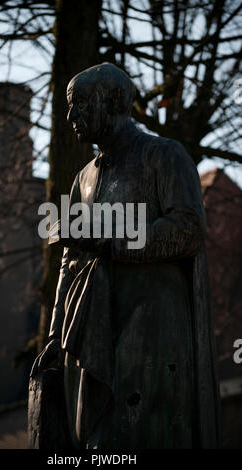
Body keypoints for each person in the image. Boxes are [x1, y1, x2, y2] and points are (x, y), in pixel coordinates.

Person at [31, 63, 221, 449]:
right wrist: (55, 331)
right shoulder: (84, 176)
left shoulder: (163, 155)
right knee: (94, 440)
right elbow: (70, 261)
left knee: (142, 432)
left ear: (115, 101)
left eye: (81, 103)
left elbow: (188, 229)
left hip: (149, 325)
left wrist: (112, 240)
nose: (71, 115)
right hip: (88, 327)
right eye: (70, 105)